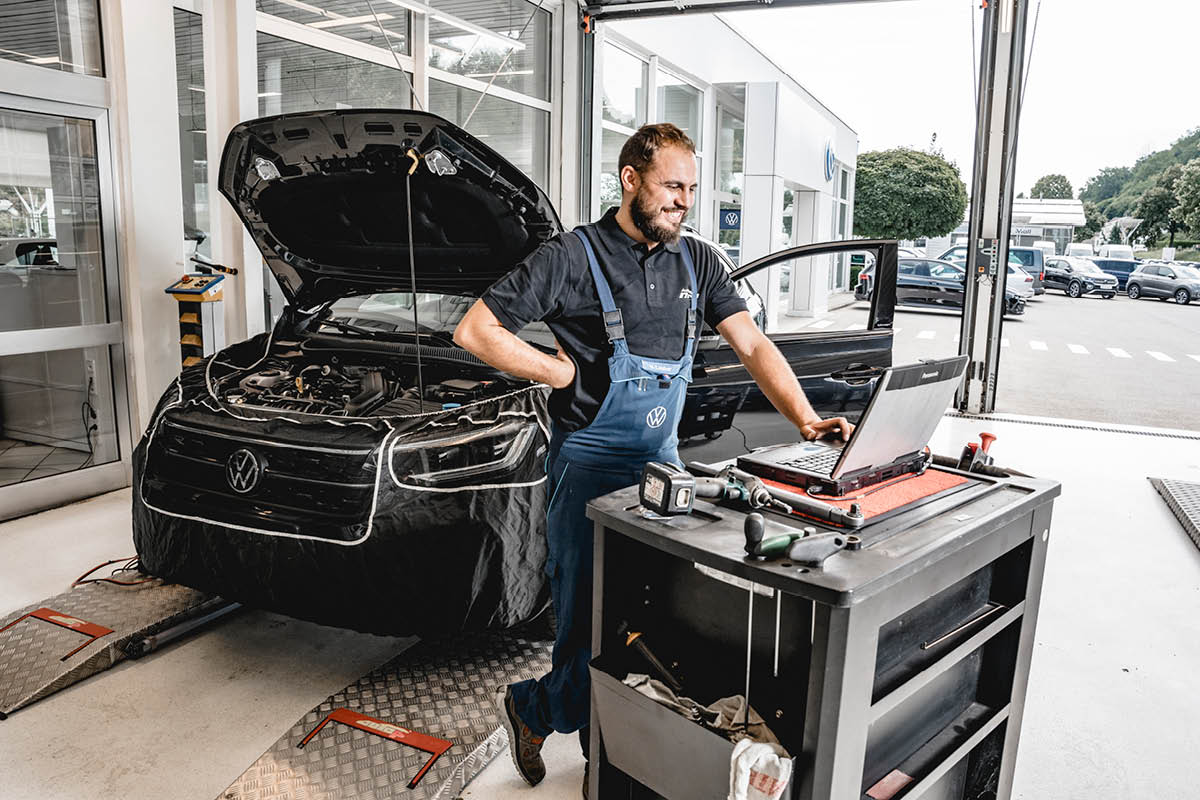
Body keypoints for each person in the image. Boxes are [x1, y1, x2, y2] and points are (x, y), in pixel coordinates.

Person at [452, 123, 854, 796]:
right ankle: (545, 716)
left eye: (691, 190)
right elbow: (476, 329)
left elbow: (753, 345)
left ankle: (609, 754)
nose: (683, 202)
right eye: (672, 186)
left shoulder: (696, 262)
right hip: (589, 472)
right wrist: (553, 374)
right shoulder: (573, 257)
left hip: (662, 472)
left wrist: (807, 418)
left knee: (656, 622)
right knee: (586, 630)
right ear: (630, 179)